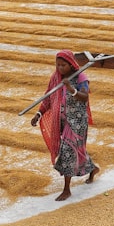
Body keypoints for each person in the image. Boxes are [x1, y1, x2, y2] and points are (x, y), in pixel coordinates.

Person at [31, 50, 100, 201]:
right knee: (77, 151)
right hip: (63, 121)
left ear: (71, 64)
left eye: (63, 65)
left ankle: (67, 189)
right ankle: (92, 168)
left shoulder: (80, 77)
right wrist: (39, 114)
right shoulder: (56, 78)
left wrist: (71, 89)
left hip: (77, 122)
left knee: (67, 152)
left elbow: (84, 97)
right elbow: (48, 99)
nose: (60, 68)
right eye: (58, 65)